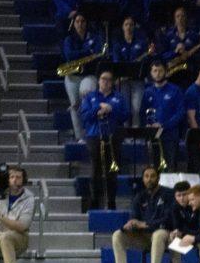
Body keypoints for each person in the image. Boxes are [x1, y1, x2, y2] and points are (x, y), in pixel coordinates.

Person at [106, 166, 173, 263]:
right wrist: (131, 224)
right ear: (143, 179)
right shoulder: (139, 196)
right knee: (117, 235)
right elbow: (134, 218)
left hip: (164, 236)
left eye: (152, 176)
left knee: (158, 234)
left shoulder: (168, 194)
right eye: (146, 176)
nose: (149, 179)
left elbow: (168, 220)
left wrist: (145, 224)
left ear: (158, 178)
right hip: (144, 237)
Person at [80, 69, 129, 210]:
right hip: (94, 135)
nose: (105, 82)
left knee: (111, 172)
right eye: (103, 79)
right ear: (99, 81)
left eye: (108, 79)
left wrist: (111, 109)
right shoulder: (90, 97)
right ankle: (95, 201)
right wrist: (98, 108)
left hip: (113, 136)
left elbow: (126, 115)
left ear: (112, 82)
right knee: (95, 170)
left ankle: (111, 202)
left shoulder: (118, 97)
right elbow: (84, 117)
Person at [61, 12, 104, 141]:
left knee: (86, 97)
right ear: (73, 24)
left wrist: (82, 55)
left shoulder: (95, 37)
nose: (80, 24)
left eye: (83, 21)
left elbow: (97, 54)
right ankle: (80, 137)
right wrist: (87, 53)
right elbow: (69, 56)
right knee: (75, 105)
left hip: (89, 74)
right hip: (72, 75)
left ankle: (91, 131)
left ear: (86, 23)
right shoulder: (69, 39)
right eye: (77, 21)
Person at [141, 60, 184, 169]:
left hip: (170, 136)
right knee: (154, 170)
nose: (158, 73)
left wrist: (164, 125)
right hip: (153, 136)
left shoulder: (175, 90)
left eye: (160, 71)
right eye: (155, 71)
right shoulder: (147, 92)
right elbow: (142, 112)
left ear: (166, 72)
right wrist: (147, 126)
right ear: (151, 73)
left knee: (170, 169)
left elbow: (180, 113)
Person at [0, 166, 35, 263]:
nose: (14, 180)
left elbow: (22, 226)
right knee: (2, 236)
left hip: (19, 237)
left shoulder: (29, 198)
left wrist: (1, 217)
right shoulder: (0, 194)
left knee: (6, 236)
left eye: (18, 177)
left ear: (23, 180)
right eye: (12, 177)